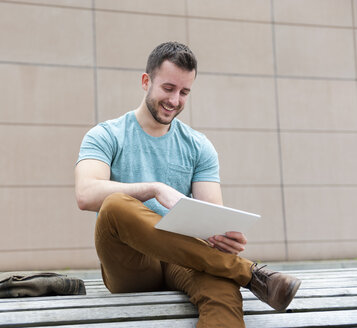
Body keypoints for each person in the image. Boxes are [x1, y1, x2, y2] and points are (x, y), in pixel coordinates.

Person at [74, 41, 300, 327]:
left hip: (183, 257)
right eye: (168, 88)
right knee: (116, 206)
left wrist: (221, 235)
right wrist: (154, 189)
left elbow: (210, 218)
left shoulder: (198, 145)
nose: (175, 100)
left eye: (184, 92)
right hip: (131, 263)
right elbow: (85, 194)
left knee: (222, 286)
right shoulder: (106, 135)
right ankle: (249, 273)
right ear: (146, 81)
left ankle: (241, 273)